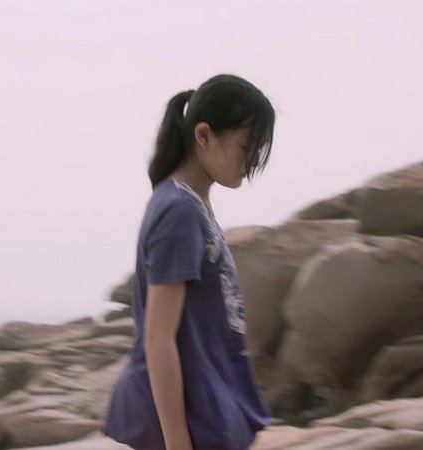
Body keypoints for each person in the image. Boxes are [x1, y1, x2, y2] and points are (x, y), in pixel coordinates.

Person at [104, 74, 276, 450]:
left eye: (259, 150)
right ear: (204, 135)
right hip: (186, 425)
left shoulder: (192, 206)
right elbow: (158, 337)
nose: (253, 161)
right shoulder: (179, 210)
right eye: (247, 147)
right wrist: (178, 444)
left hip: (206, 413)